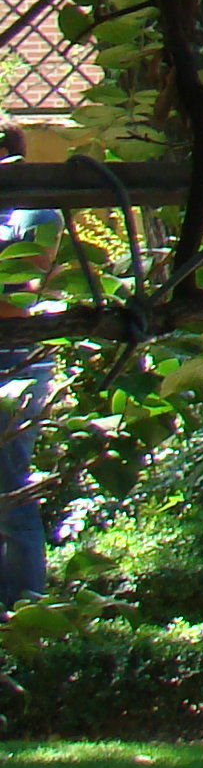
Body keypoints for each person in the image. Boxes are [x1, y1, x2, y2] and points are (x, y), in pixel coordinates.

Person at [0, 159, 51, 604]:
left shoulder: (31, 211)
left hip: (11, 360)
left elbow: (20, 292)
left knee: (10, 489)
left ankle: (21, 613)